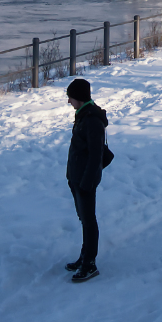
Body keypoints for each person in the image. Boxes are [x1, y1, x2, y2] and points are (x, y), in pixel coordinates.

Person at [63, 77, 108, 284]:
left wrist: (87, 182)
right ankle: (84, 256)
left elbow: (96, 155)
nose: (69, 102)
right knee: (84, 219)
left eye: (70, 97)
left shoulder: (91, 120)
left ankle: (90, 264)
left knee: (89, 221)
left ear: (79, 98)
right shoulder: (82, 115)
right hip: (77, 178)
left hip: (85, 181)